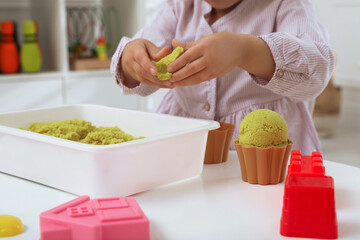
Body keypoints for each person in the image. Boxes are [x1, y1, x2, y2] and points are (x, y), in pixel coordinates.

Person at [111, 0, 335, 155]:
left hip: (268, 155)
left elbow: (316, 69)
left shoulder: (287, 5)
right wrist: (133, 61)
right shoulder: (180, 6)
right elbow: (145, 61)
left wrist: (246, 51)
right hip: (186, 149)